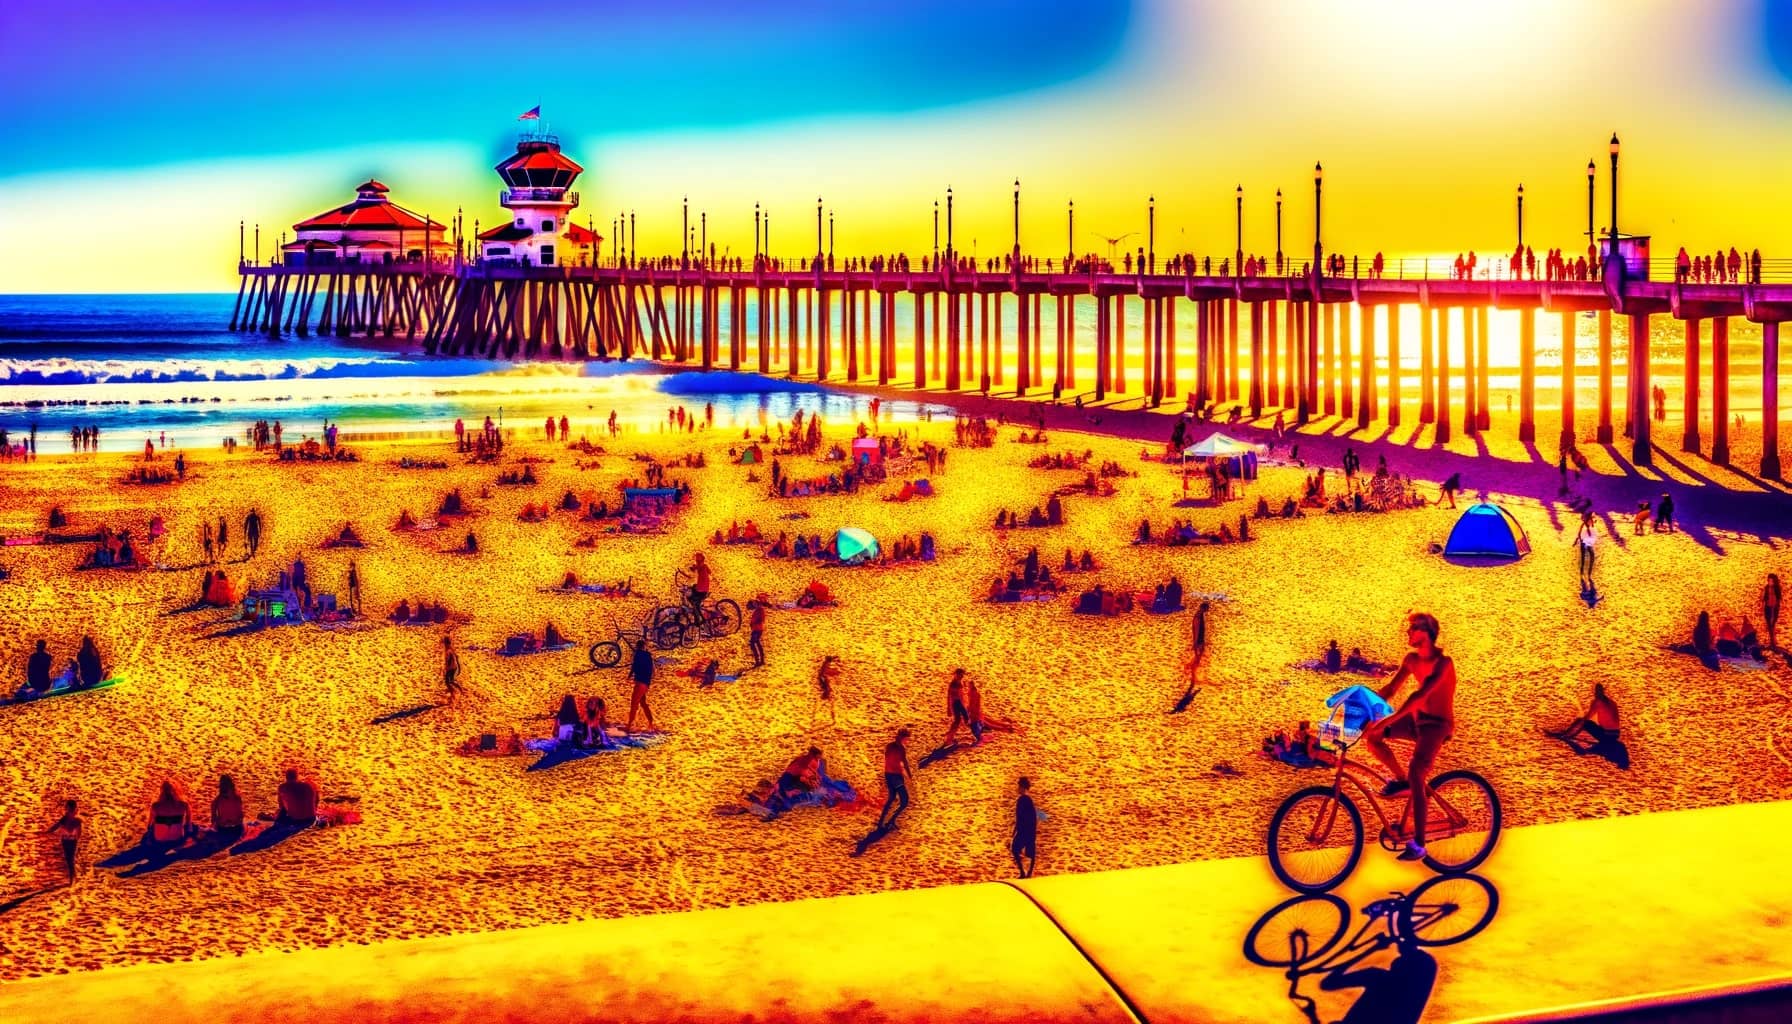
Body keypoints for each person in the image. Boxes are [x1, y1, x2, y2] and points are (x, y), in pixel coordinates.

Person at [1362, 613, 1457, 861]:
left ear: (1427, 633)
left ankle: (1420, 844)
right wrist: (1363, 705)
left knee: (1418, 772)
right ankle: (1400, 779)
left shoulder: (1443, 663)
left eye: (1413, 628)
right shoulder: (1411, 660)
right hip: (1416, 722)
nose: (1408, 633)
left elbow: (1420, 697)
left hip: (1437, 726)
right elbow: (1391, 689)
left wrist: (1388, 720)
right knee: (1373, 737)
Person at [1546, 683, 1628, 768]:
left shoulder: (1597, 702)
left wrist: (1574, 732)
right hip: (1616, 734)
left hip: (1607, 736)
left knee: (1582, 724)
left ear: (1595, 693)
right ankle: (1567, 734)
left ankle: (1565, 735)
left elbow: (1586, 718)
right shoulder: (1612, 702)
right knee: (1590, 725)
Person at [876, 728, 915, 831]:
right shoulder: (899, 748)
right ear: (902, 738)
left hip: (888, 775)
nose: (907, 741)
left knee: (892, 798)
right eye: (907, 739)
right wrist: (907, 774)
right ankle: (891, 820)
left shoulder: (890, 746)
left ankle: (881, 822)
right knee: (905, 800)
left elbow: (895, 760)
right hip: (895, 776)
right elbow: (903, 762)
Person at [44, 799, 81, 885]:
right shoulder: (65, 818)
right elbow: (57, 825)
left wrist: (76, 838)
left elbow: (79, 831)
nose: (65, 807)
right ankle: (73, 876)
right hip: (65, 840)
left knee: (70, 859)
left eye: (67, 806)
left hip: (71, 840)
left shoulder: (75, 819)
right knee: (69, 859)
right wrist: (49, 831)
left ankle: (72, 878)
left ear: (70, 807)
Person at [148, 781, 191, 850]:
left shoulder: (156, 806)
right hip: (177, 837)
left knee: (154, 823)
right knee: (192, 826)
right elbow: (188, 823)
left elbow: (149, 824)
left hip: (160, 838)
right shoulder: (184, 805)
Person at [1011, 777, 1040, 878]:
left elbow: (1024, 816)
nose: (1018, 788)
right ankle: (1027, 872)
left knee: (1016, 849)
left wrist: (1017, 829)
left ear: (1022, 787)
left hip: (1025, 830)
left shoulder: (1024, 799)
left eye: (1019, 786)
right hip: (1027, 830)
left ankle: (1025, 872)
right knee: (1027, 850)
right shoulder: (1026, 799)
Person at [626, 639, 656, 731]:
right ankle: (650, 722)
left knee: (634, 703)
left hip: (640, 682)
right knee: (642, 703)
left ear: (637, 646)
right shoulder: (648, 656)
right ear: (644, 646)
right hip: (646, 683)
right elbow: (653, 670)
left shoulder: (638, 654)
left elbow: (634, 666)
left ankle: (630, 724)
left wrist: (629, 676)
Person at [210, 775, 245, 843]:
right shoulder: (237, 798)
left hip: (223, 829)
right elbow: (240, 816)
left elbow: (213, 818)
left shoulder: (218, 800)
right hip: (236, 829)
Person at [1575, 511, 1598, 591]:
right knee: (1583, 559)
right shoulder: (1584, 525)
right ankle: (1582, 573)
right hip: (1584, 543)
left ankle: (1589, 574)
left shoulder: (1591, 523)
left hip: (1589, 544)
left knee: (1592, 557)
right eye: (1590, 519)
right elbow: (1579, 533)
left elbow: (1594, 522)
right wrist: (1578, 540)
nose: (1591, 521)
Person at [441, 636, 464, 703]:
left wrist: (446, 668)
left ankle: (453, 694)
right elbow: (456, 657)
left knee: (448, 682)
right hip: (453, 667)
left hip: (451, 668)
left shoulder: (448, 650)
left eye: (444, 642)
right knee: (450, 681)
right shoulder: (450, 649)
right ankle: (458, 690)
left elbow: (449, 660)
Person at [747, 595, 767, 667]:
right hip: (757, 629)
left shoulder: (760, 610)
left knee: (753, 644)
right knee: (757, 643)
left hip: (757, 629)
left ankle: (758, 661)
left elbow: (761, 620)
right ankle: (760, 660)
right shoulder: (758, 610)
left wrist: (753, 623)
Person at [1765, 573, 1783, 652]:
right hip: (1768, 607)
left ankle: (1773, 641)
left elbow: (1779, 598)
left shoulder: (1777, 588)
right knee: (1769, 625)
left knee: (1772, 624)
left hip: (1774, 608)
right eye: (1769, 580)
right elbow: (1764, 598)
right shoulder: (1766, 587)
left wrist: (1776, 606)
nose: (1770, 582)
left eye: (1771, 581)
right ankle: (1772, 640)